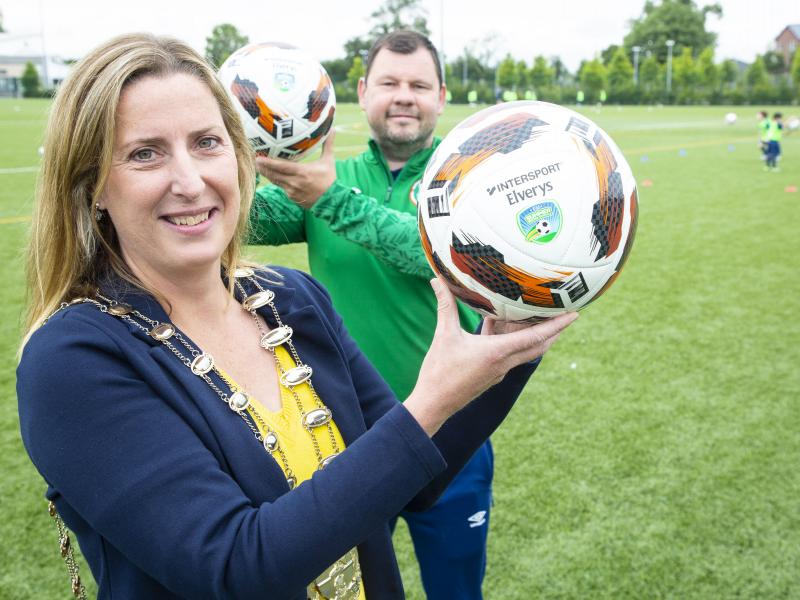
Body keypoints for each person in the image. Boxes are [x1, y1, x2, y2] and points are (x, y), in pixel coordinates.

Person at [16, 33, 577, 600]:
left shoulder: (293, 299)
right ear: (92, 188)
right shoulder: (72, 360)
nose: (189, 182)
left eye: (208, 142)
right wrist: (430, 400)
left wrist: (513, 334)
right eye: (145, 153)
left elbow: (415, 484)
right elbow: (235, 568)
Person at [251, 30, 494, 599]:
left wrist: (329, 198)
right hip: (346, 443)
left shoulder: (468, 179)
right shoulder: (323, 179)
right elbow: (239, 221)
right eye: (389, 83)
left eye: (418, 85)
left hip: (453, 434)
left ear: (441, 97)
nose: (403, 96)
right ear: (362, 92)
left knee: (457, 591)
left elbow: (437, 252)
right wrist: (239, 152)